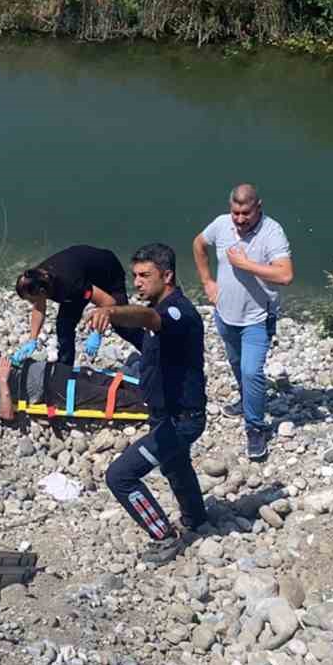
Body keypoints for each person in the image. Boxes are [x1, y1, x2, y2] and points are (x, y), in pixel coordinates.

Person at [88, 243, 207, 567]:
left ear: (167, 276)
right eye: (135, 276)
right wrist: (102, 305)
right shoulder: (159, 314)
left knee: (120, 476)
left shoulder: (176, 313)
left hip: (181, 421)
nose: (137, 282)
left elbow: (149, 318)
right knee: (175, 465)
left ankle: (164, 536)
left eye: (144, 275)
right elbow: (143, 333)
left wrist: (113, 312)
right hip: (164, 417)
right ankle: (196, 517)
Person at [193, 184, 293, 462]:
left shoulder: (272, 232)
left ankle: (255, 427)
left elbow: (285, 275)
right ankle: (247, 399)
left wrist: (245, 264)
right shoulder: (221, 225)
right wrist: (207, 282)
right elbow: (198, 244)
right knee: (237, 364)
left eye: (245, 213)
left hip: (258, 318)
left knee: (251, 371)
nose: (239, 219)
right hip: (225, 314)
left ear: (258, 207)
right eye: (235, 212)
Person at [0, 326, 147, 422]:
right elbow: (6, 414)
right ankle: (156, 405)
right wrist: (3, 380)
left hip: (57, 370)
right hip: (54, 390)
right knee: (112, 395)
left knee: (110, 380)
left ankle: (147, 381)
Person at [15, 245, 140, 367]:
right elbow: (39, 307)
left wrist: (97, 332)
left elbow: (109, 302)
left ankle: (149, 350)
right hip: (81, 275)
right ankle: (64, 368)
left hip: (108, 273)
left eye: (31, 300)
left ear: (42, 292)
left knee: (121, 324)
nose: (31, 303)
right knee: (64, 327)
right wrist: (32, 340)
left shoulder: (70, 284)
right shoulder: (37, 280)